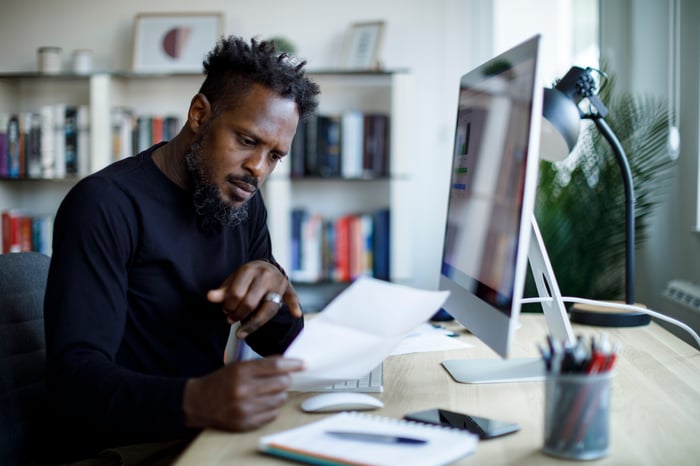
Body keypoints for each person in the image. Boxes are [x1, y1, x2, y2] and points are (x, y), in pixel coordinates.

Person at [40, 36, 321, 464]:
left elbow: (275, 337)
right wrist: (196, 399)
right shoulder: (104, 204)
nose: (257, 169)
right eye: (247, 140)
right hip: (120, 447)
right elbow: (75, 380)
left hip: (205, 433)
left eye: (274, 156)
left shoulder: (243, 200)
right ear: (199, 114)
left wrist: (274, 287)